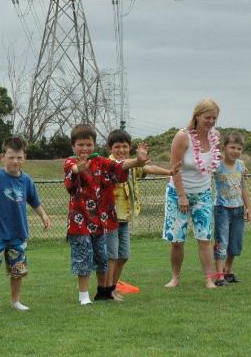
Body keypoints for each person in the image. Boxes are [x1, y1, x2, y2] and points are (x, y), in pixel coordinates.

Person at [64, 123, 148, 304]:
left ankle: (104, 291)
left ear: (94, 145)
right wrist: (79, 169)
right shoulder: (71, 161)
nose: (85, 148)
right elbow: (72, 171)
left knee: (103, 258)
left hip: (102, 221)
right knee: (84, 257)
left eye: (88, 144)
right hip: (80, 222)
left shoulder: (101, 162)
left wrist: (138, 161)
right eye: (80, 144)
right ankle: (84, 295)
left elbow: (119, 166)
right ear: (73, 146)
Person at [0, 137, 51, 311]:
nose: (15, 161)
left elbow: (34, 201)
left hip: (18, 234)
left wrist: (43, 215)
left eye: (19, 157)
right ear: (3, 157)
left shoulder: (27, 180)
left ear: (24, 158)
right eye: (11, 157)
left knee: (18, 271)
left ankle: (16, 301)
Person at [104, 130, 173, 300]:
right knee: (111, 256)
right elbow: (126, 166)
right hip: (110, 217)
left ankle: (113, 285)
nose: (121, 150)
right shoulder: (107, 164)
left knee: (123, 255)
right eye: (117, 147)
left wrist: (168, 172)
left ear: (130, 147)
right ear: (109, 148)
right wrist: (138, 160)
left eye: (125, 146)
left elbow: (147, 168)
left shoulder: (134, 165)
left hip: (125, 217)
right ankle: (107, 290)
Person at [164, 99, 222, 289]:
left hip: (203, 192)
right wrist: (181, 195)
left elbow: (217, 162)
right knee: (177, 240)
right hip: (178, 193)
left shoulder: (215, 136)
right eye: (207, 117)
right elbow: (175, 167)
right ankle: (175, 277)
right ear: (197, 116)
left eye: (214, 118)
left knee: (205, 238)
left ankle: (209, 279)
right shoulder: (183, 136)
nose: (211, 121)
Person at [212, 131, 251, 285]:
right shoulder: (218, 165)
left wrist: (248, 207)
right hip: (222, 208)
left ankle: (229, 271)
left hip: (238, 208)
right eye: (232, 147)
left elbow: (244, 187)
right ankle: (220, 275)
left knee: (235, 241)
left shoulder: (241, 166)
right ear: (224, 147)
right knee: (222, 241)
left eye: (239, 148)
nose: (235, 151)